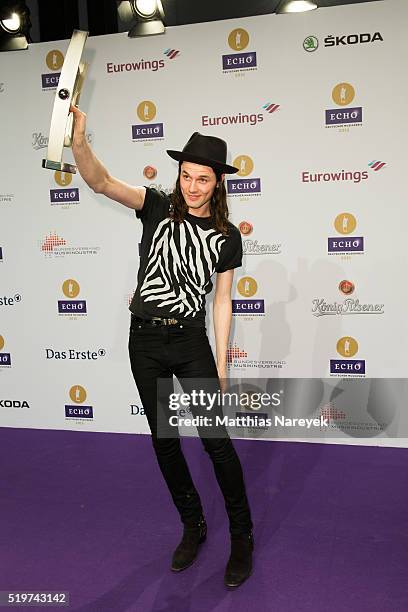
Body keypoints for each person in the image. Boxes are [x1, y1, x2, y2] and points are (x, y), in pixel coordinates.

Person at [70, 105, 254, 588]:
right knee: (165, 442)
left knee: (217, 444)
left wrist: (220, 365)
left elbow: (223, 301)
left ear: (218, 183)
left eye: (203, 179)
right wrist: (79, 143)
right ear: (178, 175)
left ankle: (242, 535)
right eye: (187, 176)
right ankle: (193, 525)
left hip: (191, 341)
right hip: (146, 340)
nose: (193, 186)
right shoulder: (154, 206)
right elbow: (101, 182)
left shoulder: (226, 236)